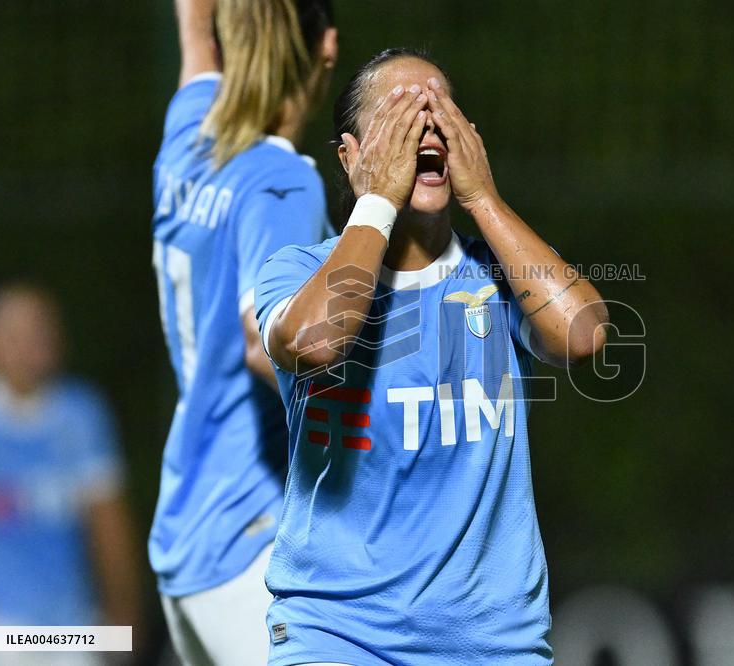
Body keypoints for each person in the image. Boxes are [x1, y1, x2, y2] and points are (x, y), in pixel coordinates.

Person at [255, 48, 610, 665]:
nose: (425, 132)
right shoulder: (298, 273)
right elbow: (316, 341)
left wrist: (485, 200)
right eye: (400, 117)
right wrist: (378, 202)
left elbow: (583, 337)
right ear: (350, 156)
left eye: (440, 114)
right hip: (338, 634)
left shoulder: (503, 273)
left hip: (493, 645)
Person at [151, 0, 337, 663]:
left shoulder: (188, 136)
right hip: (252, 540)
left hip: (188, 529)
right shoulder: (282, 181)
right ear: (327, 46)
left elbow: (194, 37)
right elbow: (265, 342)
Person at [0, 285, 142, 665]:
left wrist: (124, 611)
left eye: (41, 330)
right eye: (14, 335)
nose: (31, 345)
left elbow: (107, 521)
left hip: (71, 625)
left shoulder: (80, 415)